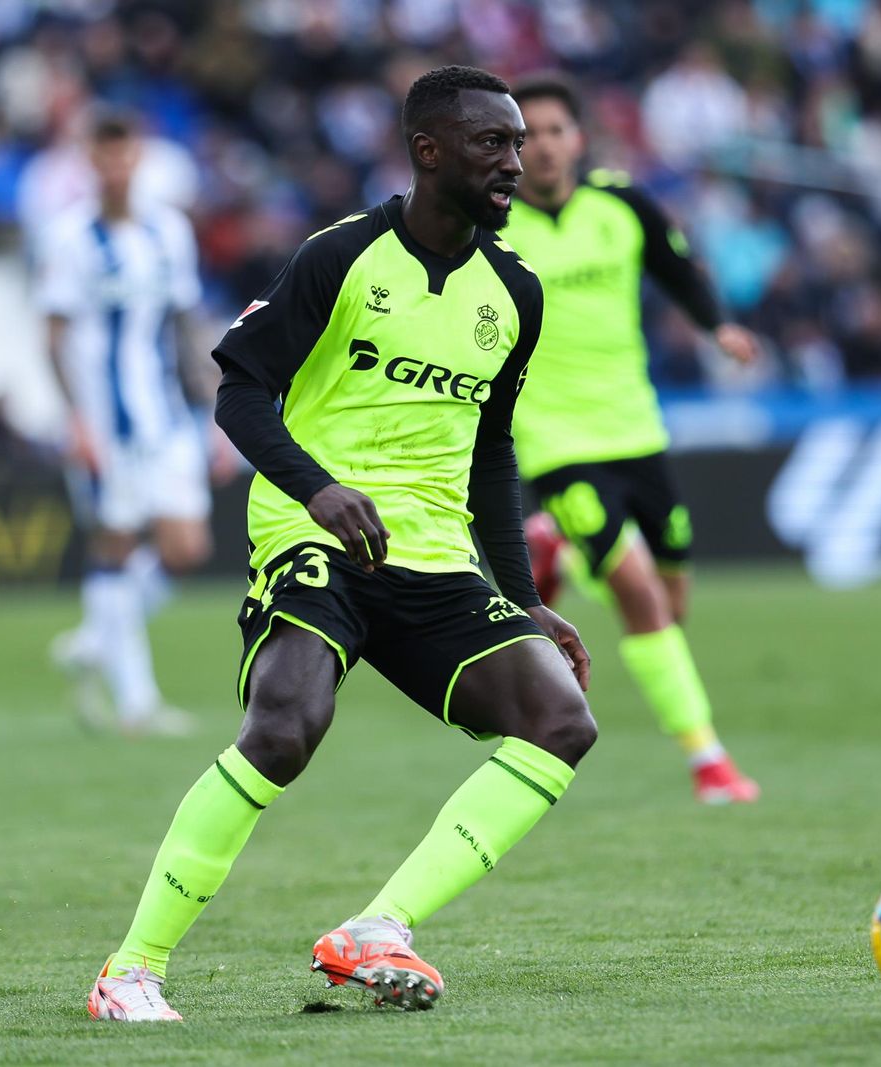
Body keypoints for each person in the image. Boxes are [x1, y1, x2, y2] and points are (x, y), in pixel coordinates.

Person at [87, 66, 596, 1022]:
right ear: (428, 149)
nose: (516, 164)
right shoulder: (342, 256)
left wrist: (521, 591)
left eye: (522, 145)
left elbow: (492, 451)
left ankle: (379, 926)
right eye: (495, 144)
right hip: (313, 534)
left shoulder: (515, 294)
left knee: (562, 719)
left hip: (435, 553)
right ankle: (130, 969)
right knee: (285, 726)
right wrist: (317, 489)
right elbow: (239, 390)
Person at [501, 76, 761, 805]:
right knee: (643, 599)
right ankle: (708, 759)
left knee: (672, 604)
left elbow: (679, 270)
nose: (544, 147)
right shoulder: (489, 227)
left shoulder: (623, 205)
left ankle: (555, 548)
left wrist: (720, 328)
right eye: (529, 136)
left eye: (555, 131)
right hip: (555, 440)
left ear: (578, 139)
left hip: (637, 427)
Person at [37, 111, 214, 737]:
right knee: (115, 541)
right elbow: (53, 334)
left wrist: (215, 408)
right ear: (90, 161)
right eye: (104, 155)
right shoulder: (70, 238)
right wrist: (75, 421)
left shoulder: (169, 231)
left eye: (125, 154)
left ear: (139, 158)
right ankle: (136, 703)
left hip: (167, 412)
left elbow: (187, 323)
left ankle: (94, 637)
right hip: (108, 420)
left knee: (186, 547)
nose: (116, 166)